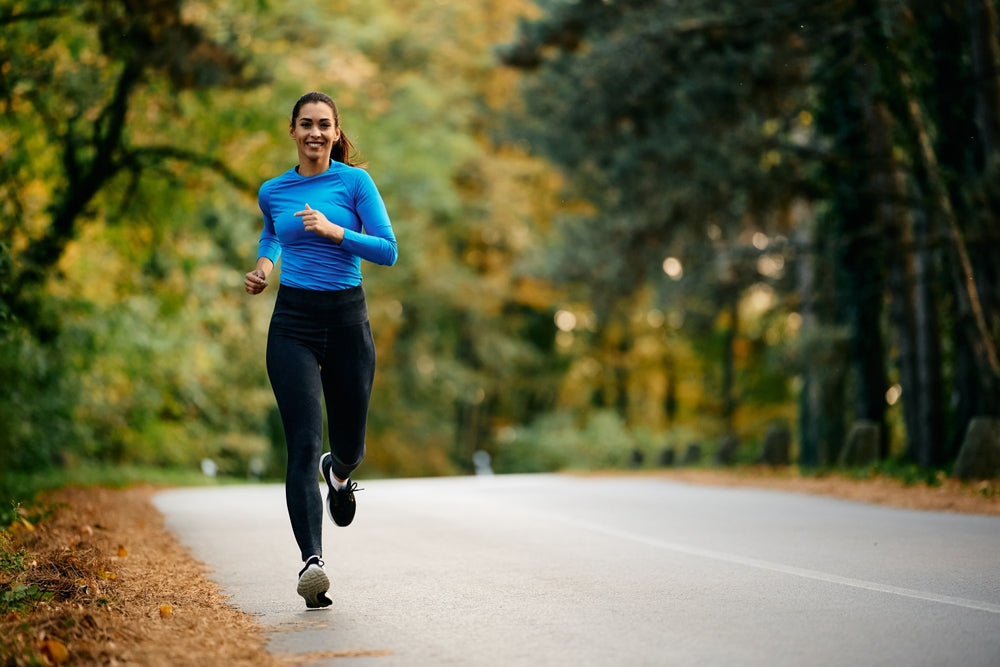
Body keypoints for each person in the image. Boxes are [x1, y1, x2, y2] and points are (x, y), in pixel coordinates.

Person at [244, 91, 398, 608]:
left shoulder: (355, 183)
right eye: (305, 124)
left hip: (348, 321)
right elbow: (273, 235)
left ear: (336, 132)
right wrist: (265, 266)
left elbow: (388, 250)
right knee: (303, 442)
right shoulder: (274, 190)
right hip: (293, 324)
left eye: (323, 125)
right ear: (292, 131)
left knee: (348, 445)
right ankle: (313, 564)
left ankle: (341, 472)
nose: (314, 132)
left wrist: (336, 231)